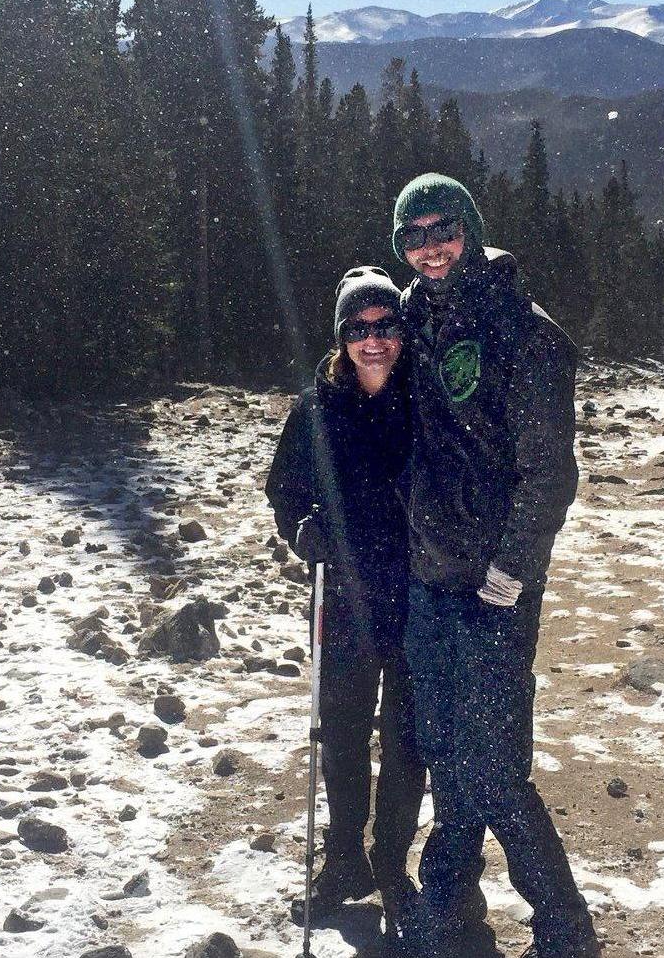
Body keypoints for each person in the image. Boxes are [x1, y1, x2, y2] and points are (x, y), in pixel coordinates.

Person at [390, 174, 601, 958]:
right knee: (447, 753)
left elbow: (550, 472)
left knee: (497, 767)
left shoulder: (524, 328)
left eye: (442, 229)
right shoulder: (413, 317)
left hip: (492, 586)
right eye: (413, 237)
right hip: (428, 577)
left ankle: (563, 928)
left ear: (470, 228)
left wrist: (510, 572)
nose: (430, 247)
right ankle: (451, 912)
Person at [265, 266, 426, 936]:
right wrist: (303, 529)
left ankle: (391, 863)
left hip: (418, 593)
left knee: (407, 737)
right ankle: (343, 859)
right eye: (358, 328)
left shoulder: (424, 399)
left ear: (400, 329)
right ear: (342, 336)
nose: (373, 339)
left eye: (385, 324)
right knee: (342, 734)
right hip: (345, 596)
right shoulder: (317, 407)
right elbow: (285, 490)